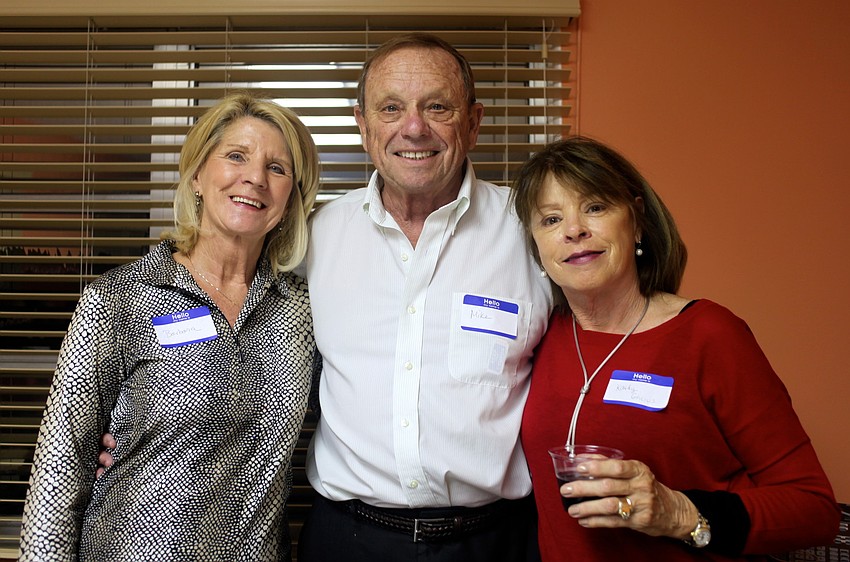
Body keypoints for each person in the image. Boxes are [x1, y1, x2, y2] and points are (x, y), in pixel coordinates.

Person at [19, 92, 320, 561]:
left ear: (292, 196)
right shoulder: (119, 299)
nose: (255, 178)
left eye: (277, 169)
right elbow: (59, 471)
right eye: (236, 156)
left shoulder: (303, 311)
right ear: (198, 175)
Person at [511, 136, 840, 561]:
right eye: (551, 219)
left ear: (638, 220)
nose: (574, 230)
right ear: (537, 245)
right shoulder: (540, 334)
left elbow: (814, 509)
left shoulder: (709, 334)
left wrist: (679, 512)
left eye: (595, 207)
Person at [296, 33, 553, 561]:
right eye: (391, 108)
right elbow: (239, 342)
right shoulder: (311, 238)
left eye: (437, 106)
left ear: (474, 123)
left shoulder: (533, 230)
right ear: (363, 127)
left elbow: (604, 342)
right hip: (347, 539)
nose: (414, 127)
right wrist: (144, 426)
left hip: (496, 542)